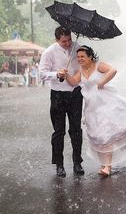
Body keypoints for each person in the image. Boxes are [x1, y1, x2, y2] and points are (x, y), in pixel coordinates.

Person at [64, 45, 126, 177]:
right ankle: (103, 164)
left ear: (90, 56)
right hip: (91, 108)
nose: (80, 59)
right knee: (97, 136)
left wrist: (102, 82)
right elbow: (73, 82)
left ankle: (108, 166)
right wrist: (66, 75)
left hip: (106, 104)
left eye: (82, 56)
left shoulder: (98, 65)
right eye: (78, 57)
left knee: (106, 134)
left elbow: (113, 70)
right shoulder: (80, 71)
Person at [39, 26, 84, 177]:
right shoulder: (49, 52)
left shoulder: (77, 47)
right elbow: (42, 74)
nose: (67, 43)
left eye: (69, 39)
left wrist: (79, 73)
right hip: (58, 94)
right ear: (57, 39)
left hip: (75, 93)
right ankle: (59, 164)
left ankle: (77, 162)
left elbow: (83, 65)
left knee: (76, 130)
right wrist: (56, 73)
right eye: (64, 41)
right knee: (59, 131)